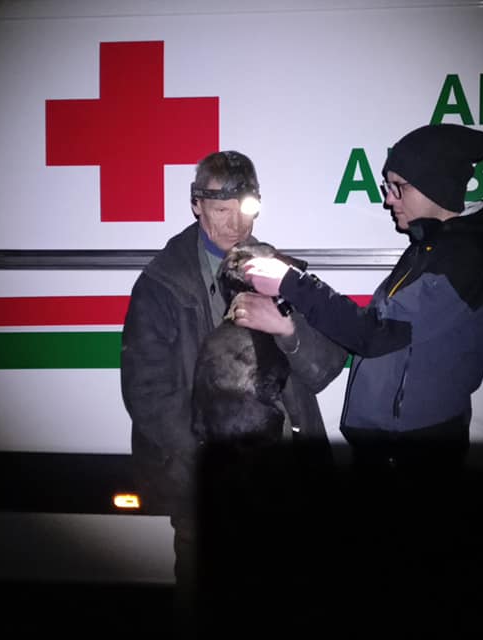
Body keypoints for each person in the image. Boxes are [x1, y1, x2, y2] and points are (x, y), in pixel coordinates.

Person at [239, 124, 483, 630]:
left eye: (398, 187)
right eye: (388, 187)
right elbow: (382, 328)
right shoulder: (432, 247)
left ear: (436, 185)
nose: (388, 200)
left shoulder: (462, 261)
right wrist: (292, 308)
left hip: (412, 457)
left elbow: (373, 334)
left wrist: (293, 283)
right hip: (394, 450)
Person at [119, 150, 347, 636]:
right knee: (206, 603)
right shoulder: (161, 284)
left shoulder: (283, 274)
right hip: (208, 487)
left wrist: (288, 330)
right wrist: (209, 464)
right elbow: (147, 392)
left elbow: (327, 368)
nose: (237, 225)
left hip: (284, 478)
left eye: (247, 209)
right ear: (197, 205)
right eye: (222, 210)